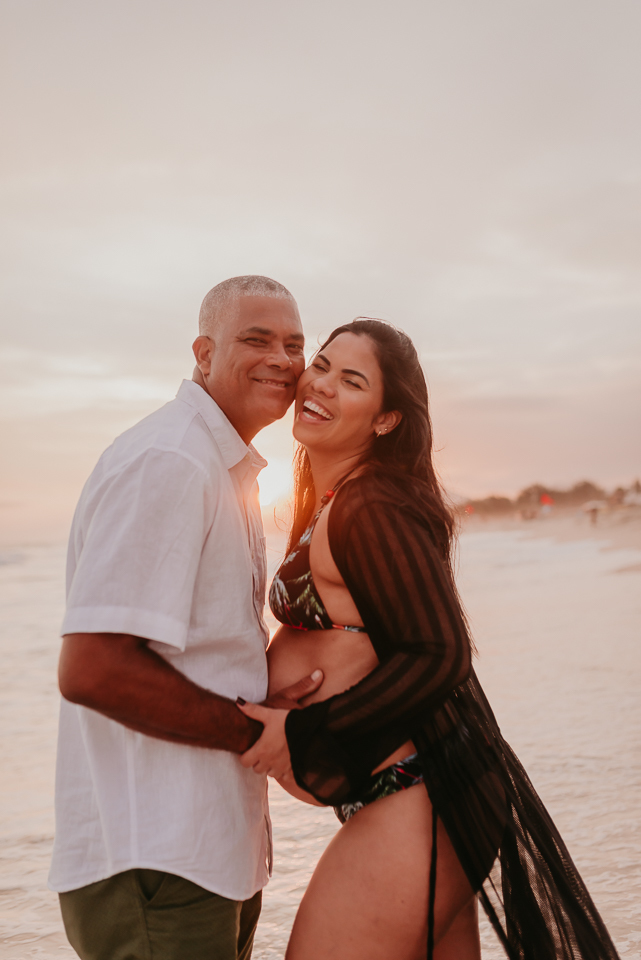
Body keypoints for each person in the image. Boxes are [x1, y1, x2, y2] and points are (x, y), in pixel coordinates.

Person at [238, 319, 620, 960]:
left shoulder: (371, 506)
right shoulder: (336, 497)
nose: (322, 384)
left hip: (418, 795)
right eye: (324, 365)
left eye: (351, 380)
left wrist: (303, 734)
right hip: (418, 796)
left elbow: (439, 652)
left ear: (386, 420)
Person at [49, 275, 325, 960]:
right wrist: (259, 737)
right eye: (256, 340)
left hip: (203, 852)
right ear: (203, 353)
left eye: (294, 343)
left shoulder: (220, 466)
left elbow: (207, 651)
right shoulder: (169, 461)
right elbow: (93, 667)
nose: (283, 360)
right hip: (155, 859)